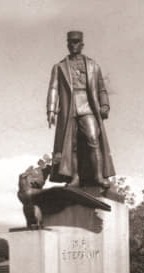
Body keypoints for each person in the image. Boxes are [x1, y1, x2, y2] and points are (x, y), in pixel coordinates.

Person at [47, 30, 115, 189]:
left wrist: (105, 105)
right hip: (69, 108)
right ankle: (75, 178)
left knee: (93, 138)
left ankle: (98, 176)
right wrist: (50, 110)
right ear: (67, 44)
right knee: (72, 146)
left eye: (77, 42)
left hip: (87, 106)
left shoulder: (93, 65)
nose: (73, 45)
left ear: (82, 44)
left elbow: (101, 89)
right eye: (71, 42)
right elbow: (53, 89)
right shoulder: (59, 67)